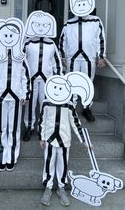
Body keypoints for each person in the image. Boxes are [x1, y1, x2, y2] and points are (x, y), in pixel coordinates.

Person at [39, 72, 93, 206]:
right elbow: (42, 121)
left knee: (63, 163)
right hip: (50, 139)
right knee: (49, 161)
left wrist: (85, 141)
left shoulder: (69, 105)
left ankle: (61, 187)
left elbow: (76, 124)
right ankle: (48, 186)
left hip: (64, 140)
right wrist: (41, 137)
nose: (57, 91)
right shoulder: (46, 103)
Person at [0, 18, 30, 172]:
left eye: (12, 36)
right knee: (0, 128)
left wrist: (26, 93)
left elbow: (26, 76)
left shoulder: (21, 56)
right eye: (5, 36)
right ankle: (1, 156)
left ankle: (11, 156)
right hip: (0, 96)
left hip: (17, 96)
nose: (8, 39)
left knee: (14, 128)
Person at [59, 0, 106, 122]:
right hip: (72, 58)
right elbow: (62, 40)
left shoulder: (95, 21)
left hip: (89, 57)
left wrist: (101, 56)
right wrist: (62, 56)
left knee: (88, 82)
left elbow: (100, 39)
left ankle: (86, 108)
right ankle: (71, 106)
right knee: (71, 81)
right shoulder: (68, 23)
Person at [22, 10, 62, 141]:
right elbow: (22, 62)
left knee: (45, 104)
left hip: (47, 80)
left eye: (44, 26)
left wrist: (58, 78)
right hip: (31, 80)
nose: (40, 28)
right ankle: (29, 126)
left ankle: (43, 128)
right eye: (37, 25)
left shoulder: (51, 44)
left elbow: (57, 62)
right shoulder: (27, 43)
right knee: (30, 104)